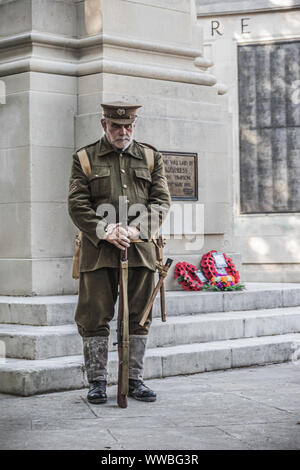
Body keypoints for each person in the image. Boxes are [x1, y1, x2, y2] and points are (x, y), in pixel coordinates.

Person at [68, 102, 171, 404]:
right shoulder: (84, 158)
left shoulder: (152, 157)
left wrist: (136, 230)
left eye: (128, 126)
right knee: (94, 316)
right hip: (98, 251)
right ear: (104, 124)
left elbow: (161, 201)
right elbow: (77, 204)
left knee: (138, 318)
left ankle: (134, 380)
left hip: (140, 252)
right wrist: (106, 230)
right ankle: (97, 382)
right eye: (116, 126)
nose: (122, 131)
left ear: (134, 126)